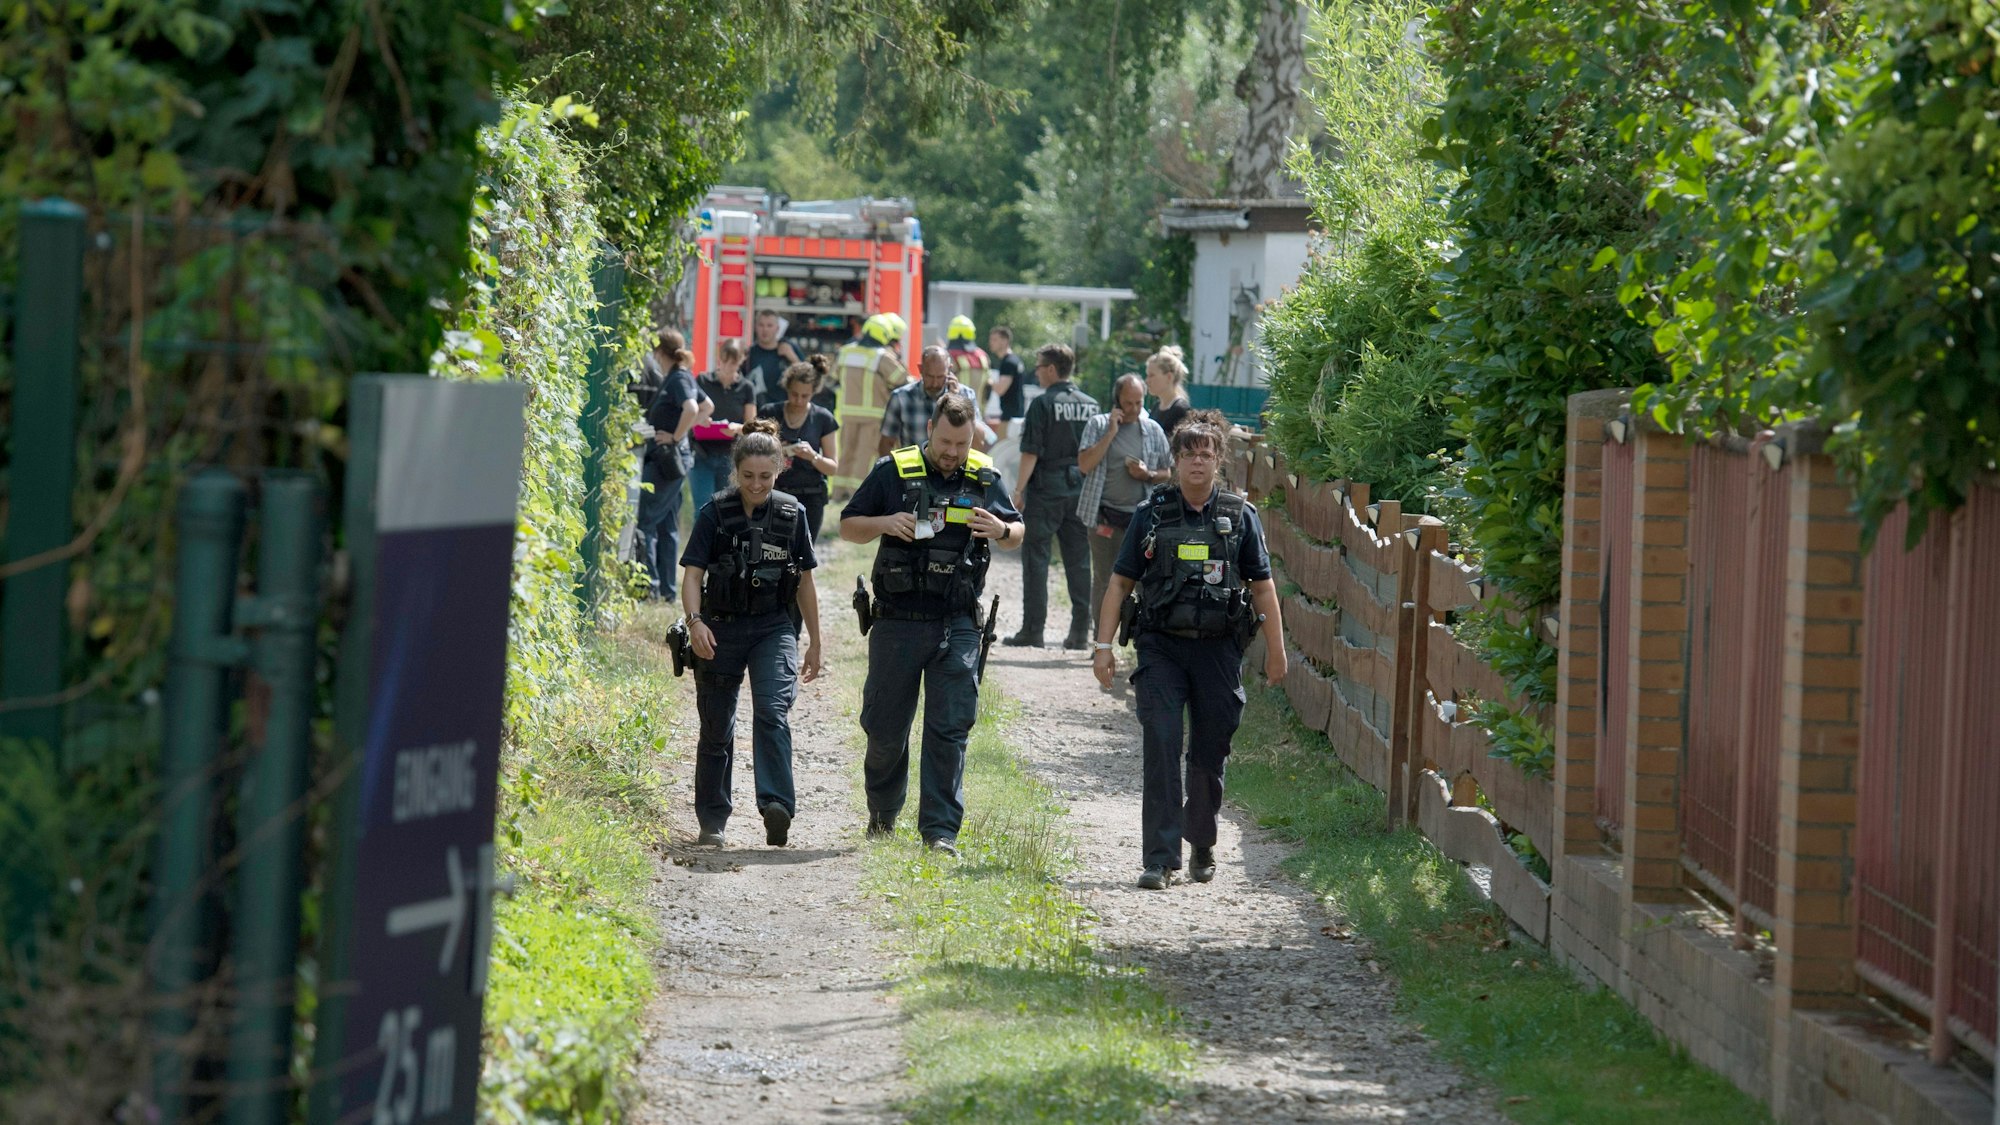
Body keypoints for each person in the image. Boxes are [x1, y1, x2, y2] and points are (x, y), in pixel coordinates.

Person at [1091, 412, 1287, 890]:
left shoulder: (1240, 517)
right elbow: (1120, 583)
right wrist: (1102, 647)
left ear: (1218, 461)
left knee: (1208, 750)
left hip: (1219, 652)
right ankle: (1159, 858)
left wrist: (1278, 653)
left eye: (1206, 454)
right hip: (1160, 648)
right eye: (1188, 454)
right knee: (1160, 741)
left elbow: (1262, 588)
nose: (1197, 462)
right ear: (1175, 461)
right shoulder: (1151, 514)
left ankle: (1201, 841)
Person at [840, 392, 1024, 855]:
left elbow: (1018, 529)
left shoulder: (984, 476)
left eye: (961, 444)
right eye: (945, 441)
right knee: (885, 729)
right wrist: (887, 522)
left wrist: (1001, 531)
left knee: (949, 729)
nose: (952, 452)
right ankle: (882, 812)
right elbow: (848, 526)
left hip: (956, 622)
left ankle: (939, 832)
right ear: (930, 431)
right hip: (898, 621)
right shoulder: (893, 471)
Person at [678, 419, 823, 848]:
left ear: (778, 471)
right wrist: (695, 622)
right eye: (748, 477)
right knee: (716, 727)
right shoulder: (713, 513)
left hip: (772, 628)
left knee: (772, 712)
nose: (756, 485)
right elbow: (692, 577)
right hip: (719, 627)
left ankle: (776, 805)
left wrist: (815, 640)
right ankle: (713, 820)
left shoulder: (792, 514)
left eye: (765, 477)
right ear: (734, 472)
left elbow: (805, 583)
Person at [1006, 343, 1098, 650]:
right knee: (1079, 560)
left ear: (1051, 370)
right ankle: (1079, 633)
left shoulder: (1042, 404)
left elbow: (1030, 452)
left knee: (1036, 559)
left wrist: (1019, 490)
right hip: (1080, 488)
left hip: (1046, 489)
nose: (1036, 372)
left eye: (1039, 367)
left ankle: (1033, 629)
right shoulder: (1091, 405)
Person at [1075, 373, 1171, 631]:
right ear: (1116, 400)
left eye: (1139, 403)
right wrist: (1110, 434)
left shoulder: (1152, 429)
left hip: (1141, 521)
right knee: (1105, 581)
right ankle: (1100, 640)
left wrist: (1147, 475)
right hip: (1104, 518)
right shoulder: (1097, 425)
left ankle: (1140, 638)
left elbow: (1169, 471)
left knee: (1142, 581)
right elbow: (1084, 465)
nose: (1134, 409)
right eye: (1128, 403)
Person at [638, 328, 712, 602]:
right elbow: (708, 407)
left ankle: (650, 588)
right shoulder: (682, 376)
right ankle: (667, 590)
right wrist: (685, 430)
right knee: (667, 524)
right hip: (676, 461)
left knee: (645, 520)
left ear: (659, 352)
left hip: (666, 461)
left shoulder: (677, 378)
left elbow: (693, 409)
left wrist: (675, 436)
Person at [760, 354, 841, 541]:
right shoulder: (769, 412)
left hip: (810, 496)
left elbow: (832, 467)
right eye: (794, 394)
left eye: (805, 396)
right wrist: (777, 449)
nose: (798, 400)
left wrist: (813, 456)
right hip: (774, 493)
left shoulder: (823, 418)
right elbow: (753, 452)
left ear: (814, 392)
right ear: (787, 389)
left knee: (803, 555)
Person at [831, 313, 909, 493]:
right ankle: (857, 493)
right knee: (864, 456)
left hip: (848, 413)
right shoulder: (882, 356)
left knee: (847, 452)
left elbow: (833, 377)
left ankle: (837, 492)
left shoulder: (846, 351)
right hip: (873, 415)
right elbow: (901, 379)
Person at [691, 339, 759, 510]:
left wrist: (737, 428)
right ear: (719, 359)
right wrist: (701, 420)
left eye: (734, 362)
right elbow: (690, 413)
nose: (728, 366)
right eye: (725, 360)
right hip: (702, 453)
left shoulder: (746, 388)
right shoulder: (703, 381)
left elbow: (752, 426)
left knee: (726, 510)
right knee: (703, 508)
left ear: (741, 361)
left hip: (730, 457)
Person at [745, 309, 801, 406]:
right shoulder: (749, 354)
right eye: (761, 325)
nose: (765, 329)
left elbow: (807, 378)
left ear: (777, 328)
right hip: (758, 412)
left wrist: (793, 358)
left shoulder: (789, 348)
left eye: (769, 326)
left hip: (784, 410)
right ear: (755, 327)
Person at [945, 314, 991, 418]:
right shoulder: (983, 356)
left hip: (955, 414)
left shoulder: (949, 356)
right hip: (978, 414)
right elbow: (989, 387)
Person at [1145, 345, 1193, 440]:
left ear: (1169, 377)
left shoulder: (1181, 410)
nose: (1147, 381)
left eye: (1152, 375)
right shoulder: (1156, 407)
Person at [986, 325, 1026, 439]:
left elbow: (1000, 390)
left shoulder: (1008, 362)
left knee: (999, 450)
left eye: (995, 340)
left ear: (1005, 341)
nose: (991, 343)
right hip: (1016, 415)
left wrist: (987, 380)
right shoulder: (1015, 360)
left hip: (1010, 417)